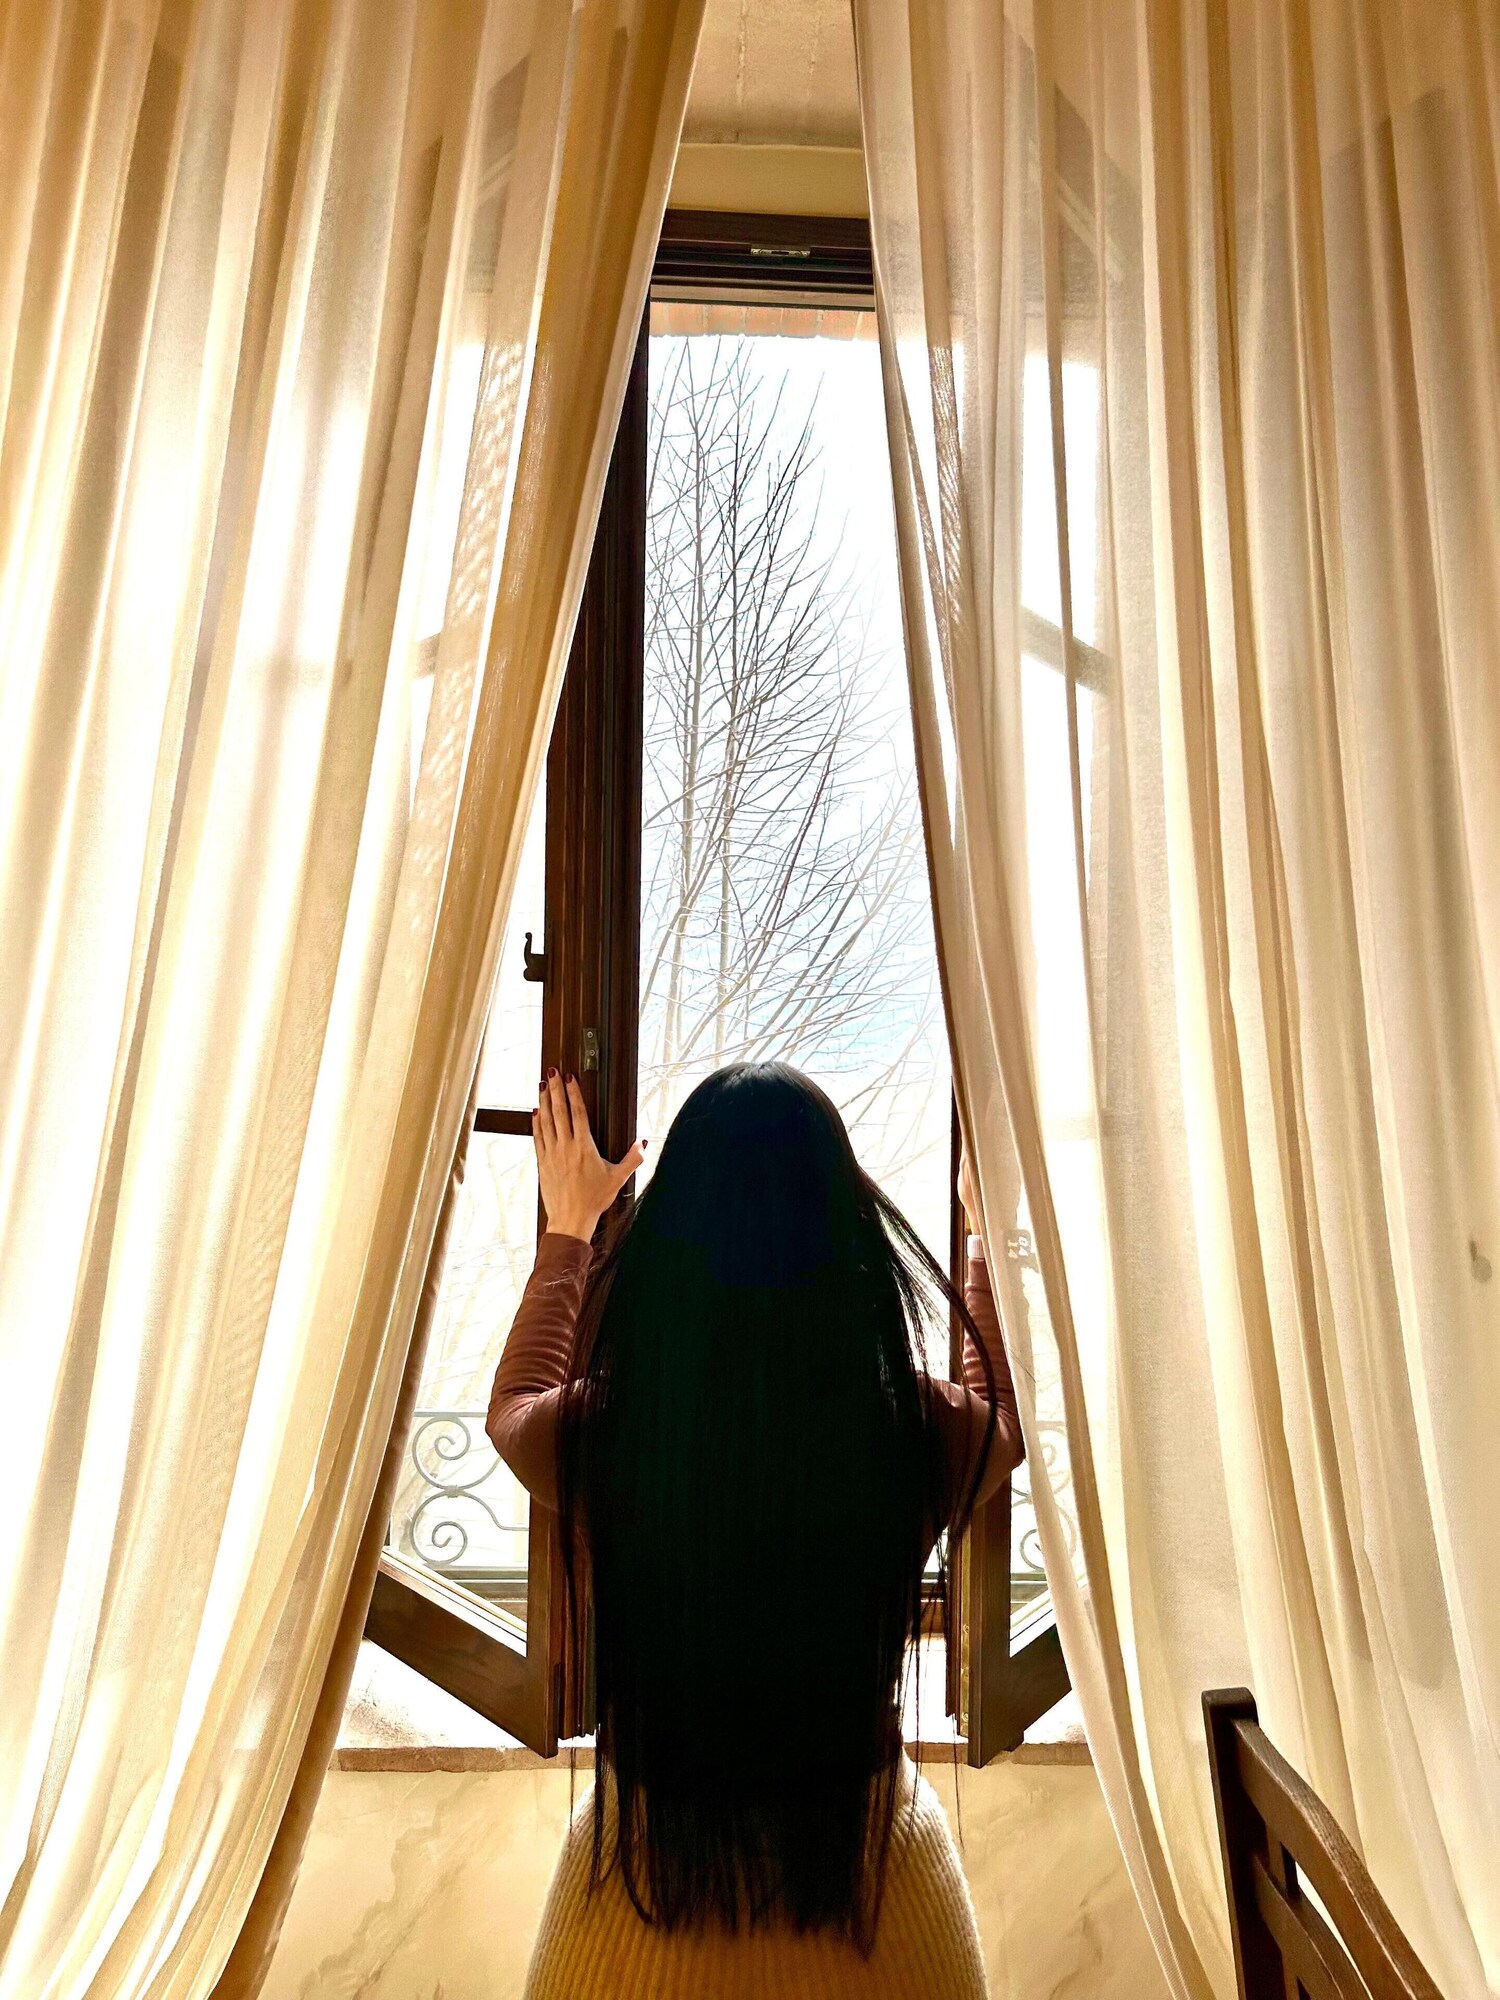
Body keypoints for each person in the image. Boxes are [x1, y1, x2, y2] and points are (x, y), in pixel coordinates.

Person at [487, 1061, 1024, 1998]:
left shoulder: (614, 1430)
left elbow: (514, 1409)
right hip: (881, 1908)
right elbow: (1002, 1423)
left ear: (668, 1247)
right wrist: (979, 1239)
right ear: (852, 1237)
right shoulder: (910, 1428)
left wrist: (570, 1229)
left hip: (633, 1911)